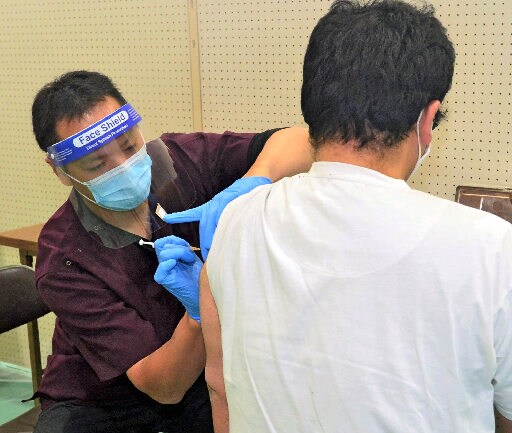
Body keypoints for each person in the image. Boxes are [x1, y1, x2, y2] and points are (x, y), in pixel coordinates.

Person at [184, 1, 512, 432]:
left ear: (312, 108)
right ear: (427, 120)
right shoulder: (490, 249)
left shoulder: (235, 222)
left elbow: (219, 387)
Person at [30, 70, 312, 433]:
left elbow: (302, 141)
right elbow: (164, 386)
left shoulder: (180, 160)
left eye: (129, 146)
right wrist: (199, 313)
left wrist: (251, 182)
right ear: (60, 171)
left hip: (201, 377)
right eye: (97, 164)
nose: (123, 168)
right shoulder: (65, 259)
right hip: (106, 405)